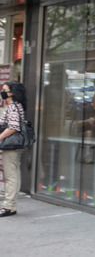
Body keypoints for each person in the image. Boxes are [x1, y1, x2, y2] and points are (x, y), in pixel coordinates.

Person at [0, 81, 29, 216]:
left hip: (11, 146)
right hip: (17, 145)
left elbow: (13, 127)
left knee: (11, 176)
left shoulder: (12, 107)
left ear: (12, 93)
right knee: (14, 175)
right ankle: (11, 205)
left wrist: (0, 137)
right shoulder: (18, 106)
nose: (2, 92)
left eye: (5, 90)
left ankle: (8, 206)